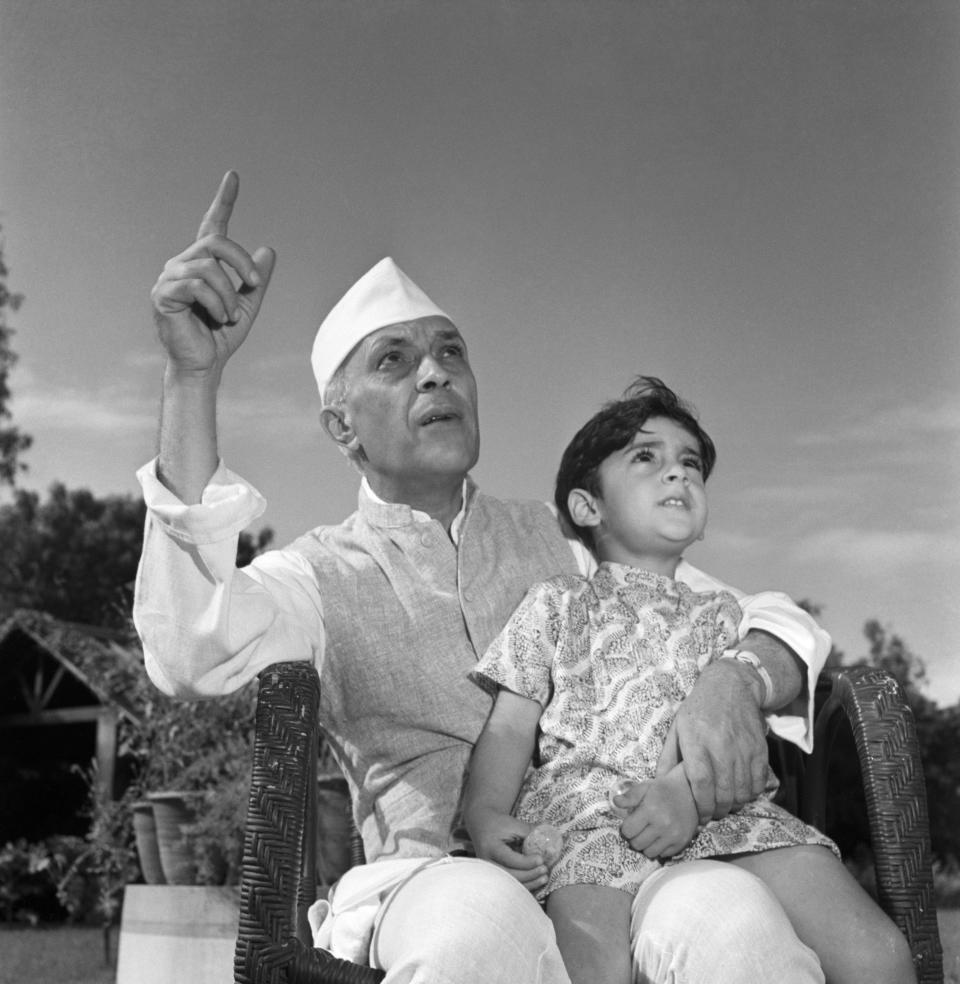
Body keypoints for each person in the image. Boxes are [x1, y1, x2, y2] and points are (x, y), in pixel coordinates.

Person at [136, 170, 836, 983]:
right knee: (478, 928)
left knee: (735, 924)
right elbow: (189, 648)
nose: (435, 374)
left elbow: (775, 620)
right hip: (431, 880)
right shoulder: (318, 577)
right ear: (341, 427)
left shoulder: (568, 541)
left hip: (623, 866)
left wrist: (739, 677)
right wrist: (193, 380)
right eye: (394, 361)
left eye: (450, 354)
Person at [463, 378, 915, 984]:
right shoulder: (554, 604)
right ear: (586, 507)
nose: (678, 475)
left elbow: (743, 744)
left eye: (691, 464)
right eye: (646, 457)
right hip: (593, 820)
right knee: (590, 968)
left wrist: (685, 792)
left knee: (879, 955)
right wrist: (487, 814)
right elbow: (510, 726)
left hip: (722, 811)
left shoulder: (727, 617)